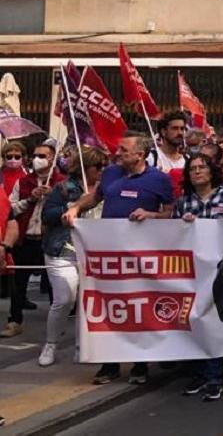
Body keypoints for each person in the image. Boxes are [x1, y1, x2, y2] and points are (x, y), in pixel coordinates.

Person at [65, 133, 175, 384]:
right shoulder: (111, 173)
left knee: (138, 307)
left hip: (140, 257)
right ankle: (109, 364)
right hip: (109, 256)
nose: (118, 152)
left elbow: (170, 213)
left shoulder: (159, 180)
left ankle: (140, 364)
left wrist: (150, 215)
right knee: (108, 307)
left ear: (140, 154)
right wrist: (75, 208)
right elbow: (95, 197)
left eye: (124, 150)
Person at [35, 146, 105, 368]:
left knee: (88, 301)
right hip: (62, 249)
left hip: (94, 253)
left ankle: (81, 346)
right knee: (65, 298)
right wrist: (73, 206)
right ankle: (51, 344)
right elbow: (48, 215)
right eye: (98, 167)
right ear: (86, 167)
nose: (102, 171)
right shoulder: (64, 188)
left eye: (105, 166)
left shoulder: (108, 189)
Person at [173, 154, 223, 401]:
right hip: (192, 270)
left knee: (214, 323)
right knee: (193, 321)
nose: (197, 172)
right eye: (192, 168)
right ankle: (199, 374)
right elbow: (173, 234)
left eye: (202, 167)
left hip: (220, 268)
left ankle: (214, 377)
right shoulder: (183, 202)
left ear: (211, 171)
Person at [1, 142, 63, 339]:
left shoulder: (62, 183)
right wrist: (29, 200)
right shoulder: (24, 182)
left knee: (55, 284)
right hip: (26, 238)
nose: (37, 159)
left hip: (50, 241)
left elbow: (70, 209)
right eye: (35, 155)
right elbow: (10, 209)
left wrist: (53, 197)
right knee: (19, 283)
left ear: (53, 159)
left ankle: (57, 326)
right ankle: (15, 321)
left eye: (43, 156)